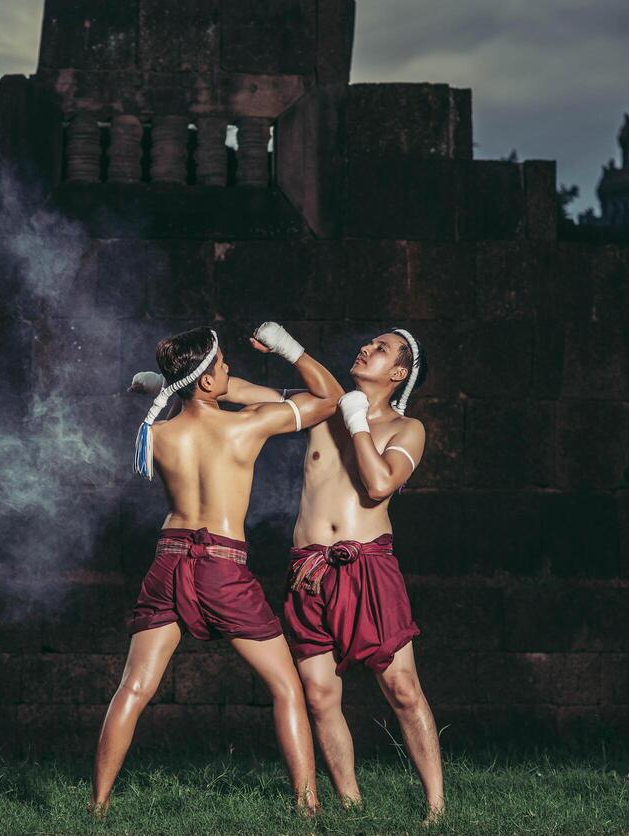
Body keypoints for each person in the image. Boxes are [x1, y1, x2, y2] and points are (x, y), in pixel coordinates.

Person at [128, 328, 443, 823]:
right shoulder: (319, 406)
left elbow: (379, 484)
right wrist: (166, 385)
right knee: (318, 694)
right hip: (308, 570)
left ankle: (436, 809)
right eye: (368, 342)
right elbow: (231, 390)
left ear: (399, 372)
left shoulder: (409, 430)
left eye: (380, 349)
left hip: (367, 566)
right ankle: (349, 803)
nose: (365, 347)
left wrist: (357, 421)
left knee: (402, 686)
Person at [91, 323, 340, 818]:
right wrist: (288, 349)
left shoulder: (156, 433)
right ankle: (308, 809)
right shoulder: (246, 425)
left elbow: (189, 395)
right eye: (223, 364)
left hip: (168, 559)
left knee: (134, 687)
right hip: (222, 565)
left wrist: (169, 385)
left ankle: (96, 809)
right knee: (286, 686)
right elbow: (329, 398)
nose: (231, 370)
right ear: (206, 381)